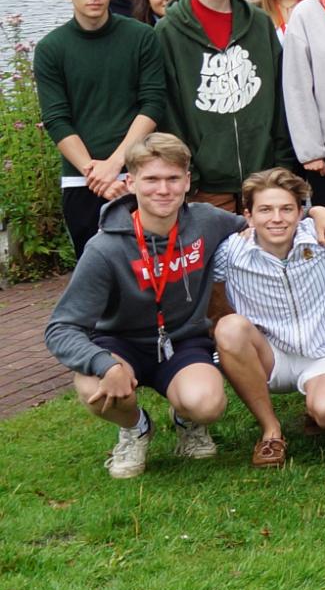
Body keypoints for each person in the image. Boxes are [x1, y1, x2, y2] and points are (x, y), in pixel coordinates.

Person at [44, 134, 250, 478]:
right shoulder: (104, 249)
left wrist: (318, 214)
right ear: (131, 182)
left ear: (187, 181)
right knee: (93, 386)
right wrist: (105, 364)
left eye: (173, 178)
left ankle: (187, 420)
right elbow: (61, 328)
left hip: (183, 341)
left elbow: (264, 223)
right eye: (151, 179)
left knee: (207, 403)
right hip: (121, 344)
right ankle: (136, 427)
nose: (163, 190)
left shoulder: (207, 221)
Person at [212, 167, 325, 455]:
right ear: (248, 216)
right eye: (265, 210)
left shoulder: (324, 235)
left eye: (286, 209)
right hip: (270, 355)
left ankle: (318, 403)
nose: (276, 218)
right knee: (229, 328)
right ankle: (271, 430)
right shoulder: (230, 252)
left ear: (300, 212)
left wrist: (320, 211)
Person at [37, 0, 167, 254]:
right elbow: (56, 119)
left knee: (152, 267)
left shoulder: (141, 37)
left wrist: (116, 164)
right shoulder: (51, 48)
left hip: (139, 174)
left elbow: (152, 104)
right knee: (94, 270)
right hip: (83, 179)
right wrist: (94, 173)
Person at [155, 0, 294, 205]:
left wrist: (282, 164)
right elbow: (169, 111)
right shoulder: (168, 32)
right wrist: (189, 175)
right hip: (206, 185)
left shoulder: (259, 23)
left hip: (265, 178)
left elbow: (281, 97)